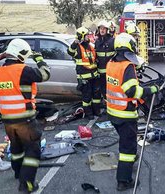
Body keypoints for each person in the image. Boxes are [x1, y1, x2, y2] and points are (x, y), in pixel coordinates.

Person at [106, 33, 159, 191]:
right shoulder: (127, 66)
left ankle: (128, 161)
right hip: (125, 114)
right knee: (127, 148)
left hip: (113, 112)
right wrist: (150, 89)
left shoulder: (111, 62)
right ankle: (123, 181)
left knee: (125, 141)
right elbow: (131, 91)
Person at [0, 38, 50, 193]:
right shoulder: (23, 70)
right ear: (21, 54)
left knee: (16, 148)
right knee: (33, 151)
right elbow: (45, 74)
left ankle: (18, 173)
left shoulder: (0, 72)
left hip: (8, 120)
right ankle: (26, 183)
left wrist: (1, 56)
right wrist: (40, 59)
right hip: (25, 120)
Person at [68, 27, 100, 119]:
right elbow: (70, 52)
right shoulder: (77, 47)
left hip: (94, 75)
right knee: (87, 97)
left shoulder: (91, 46)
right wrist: (74, 43)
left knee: (96, 96)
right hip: (84, 77)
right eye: (86, 35)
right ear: (81, 36)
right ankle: (89, 114)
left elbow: (95, 58)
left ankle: (96, 112)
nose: (88, 37)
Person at [95, 20, 115, 107]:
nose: (102, 30)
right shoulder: (97, 41)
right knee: (103, 90)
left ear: (107, 30)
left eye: (104, 29)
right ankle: (107, 105)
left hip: (111, 72)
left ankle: (112, 105)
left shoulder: (112, 41)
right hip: (101, 72)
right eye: (100, 29)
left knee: (111, 90)